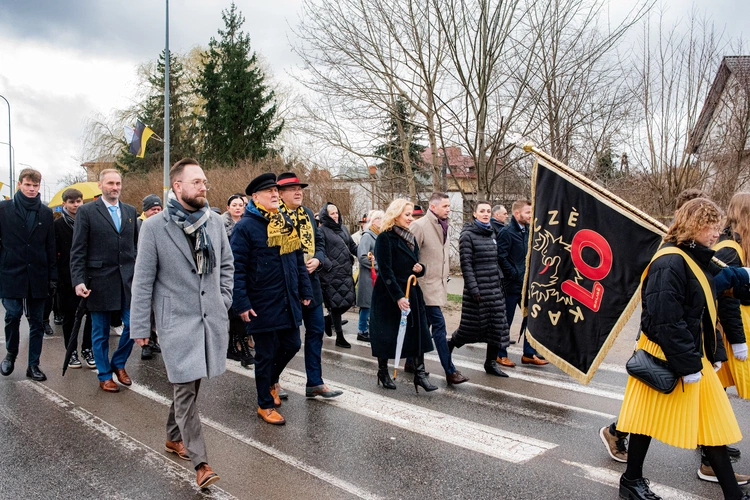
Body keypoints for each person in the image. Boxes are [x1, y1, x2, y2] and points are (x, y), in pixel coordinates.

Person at [617, 198, 750, 500]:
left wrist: (712, 354)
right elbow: (666, 320)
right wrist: (690, 364)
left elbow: (704, 312)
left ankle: (732, 494)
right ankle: (631, 480)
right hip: (666, 352)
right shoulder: (670, 261)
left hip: (687, 352)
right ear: (694, 226)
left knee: (711, 423)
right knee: (643, 422)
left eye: (718, 227)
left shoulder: (692, 257)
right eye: (711, 227)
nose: (717, 234)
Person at [130, 158, 230, 488]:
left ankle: (173, 437)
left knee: (192, 383)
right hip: (175, 323)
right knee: (186, 388)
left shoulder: (213, 222)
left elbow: (227, 265)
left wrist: (223, 299)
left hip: (208, 319)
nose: (204, 186)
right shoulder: (154, 227)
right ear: (178, 187)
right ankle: (202, 463)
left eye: (204, 181)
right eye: (197, 181)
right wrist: (140, 326)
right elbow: (143, 280)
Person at [231, 173, 313, 425]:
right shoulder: (245, 227)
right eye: (270, 192)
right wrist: (242, 303)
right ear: (255, 197)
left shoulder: (285, 221)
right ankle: (264, 404)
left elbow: (297, 260)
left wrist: (305, 289)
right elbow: (236, 267)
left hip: (287, 298)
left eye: (276, 191)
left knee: (291, 345)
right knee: (265, 354)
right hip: (261, 302)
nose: (276, 195)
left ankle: (269, 383)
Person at [70, 169, 138, 393]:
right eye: (110, 183)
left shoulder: (130, 211)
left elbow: (136, 248)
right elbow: (78, 249)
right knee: (99, 332)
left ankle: (118, 362)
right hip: (98, 282)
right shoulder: (87, 212)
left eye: (118, 183)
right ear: (100, 186)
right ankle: (104, 374)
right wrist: (78, 280)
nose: (115, 187)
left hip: (126, 282)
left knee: (133, 325)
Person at [277, 172, 342, 399]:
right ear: (280, 193)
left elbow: (320, 242)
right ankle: (272, 379)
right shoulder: (275, 216)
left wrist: (318, 259)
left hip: (311, 282)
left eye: (300, 189)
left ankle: (314, 382)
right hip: (288, 285)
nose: (298, 192)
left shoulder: (307, 214)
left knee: (316, 331)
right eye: (293, 189)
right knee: (287, 339)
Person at [369, 199, 436, 393]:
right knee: (387, 334)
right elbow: (385, 270)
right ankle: (383, 371)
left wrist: (420, 269)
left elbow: (415, 264)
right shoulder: (385, 238)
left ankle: (420, 375)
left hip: (411, 290)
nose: (410, 218)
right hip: (390, 294)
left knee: (417, 332)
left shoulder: (410, 238)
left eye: (412, 214)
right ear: (395, 214)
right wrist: (398, 297)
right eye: (406, 214)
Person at [0, 168, 56, 381]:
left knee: (37, 323)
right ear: (20, 185)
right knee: (12, 314)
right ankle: (11, 354)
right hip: (10, 273)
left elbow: (50, 246)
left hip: (38, 274)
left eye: (35, 186)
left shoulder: (45, 212)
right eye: (28, 185)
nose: (32, 189)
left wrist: (53, 277)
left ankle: (33, 365)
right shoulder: (4, 209)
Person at [410, 193, 468, 385]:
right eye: (445, 206)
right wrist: (417, 273)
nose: (448, 209)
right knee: (439, 327)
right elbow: (409, 255)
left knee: (424, 327)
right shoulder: (419, 225)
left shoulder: (444, 224)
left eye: (449, 206)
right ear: (432, 207)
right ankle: (450, 371)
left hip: (439, 284)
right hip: (424, 285)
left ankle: (411, 361)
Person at [449, 201, 511, 377]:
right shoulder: (467, 235)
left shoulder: (491, 232)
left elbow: (495, 260)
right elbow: (466, 265)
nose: (485, 214)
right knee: (469, 329)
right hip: (477, 291)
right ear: (475, 214)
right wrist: (474, 289)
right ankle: (449, 346)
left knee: (497, 326)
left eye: (488, 211)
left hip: (494, 288)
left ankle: (490, 363)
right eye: (482, 211)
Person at [496, 199, 547, 367]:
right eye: (527, 213)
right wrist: (515, 274)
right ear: (517, 214)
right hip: (511, 285)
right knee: (506, 321)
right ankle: (500, 354)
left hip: (526, 286)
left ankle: (529, 353)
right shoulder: (507, 232)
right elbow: (501, 257)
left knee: (531, 318)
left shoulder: (527, 231)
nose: (531, 216)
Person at [54, 188, 94, 370]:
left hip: (90, 275)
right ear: (64, 204)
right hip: (66, 278)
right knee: (70, 316)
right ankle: (71, 351)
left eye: (79, 201)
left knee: (92, 314)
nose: (76, 205)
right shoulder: (58, 226)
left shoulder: (89, 222)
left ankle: (88, 348)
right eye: (71, 202)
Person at [318, 202, 358, 348]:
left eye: (336, 213)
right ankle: (339, 337)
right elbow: (319, 250)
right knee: (335, 304)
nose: (335, 216)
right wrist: (329, 265)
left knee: (349, 301)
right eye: (332, 213)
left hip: (346, 272)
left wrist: (363, 253)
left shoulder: (344, 228)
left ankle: (328, 320)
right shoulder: (321, 230)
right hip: (332, 274)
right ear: (325, 215)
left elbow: (352, 246)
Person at [222, 193, 254, 369]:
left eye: (240, 204)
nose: (237, 207)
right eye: (234, 205)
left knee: (240, 311)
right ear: (228, 208)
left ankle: (236, 345)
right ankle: (239, 349)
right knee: (234, 312)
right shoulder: (221, 225)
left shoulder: (246, 224)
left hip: (243, 271)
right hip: (228, 272)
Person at [137, 194, 163, 361]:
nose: (156, 212)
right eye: (153, 209)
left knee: (156, 310)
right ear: (145, 210)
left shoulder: (163, 225)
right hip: (142, 273)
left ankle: (153, 339)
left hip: (159, 275)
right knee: (145, 310)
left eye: (159, 209)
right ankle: (145, 344)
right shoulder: (138, 225)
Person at [356, 209, 384, 342]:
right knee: (367, 305)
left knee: (374, 304)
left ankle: (370, 329)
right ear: (374, 221)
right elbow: (362, 256)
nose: (382, 222)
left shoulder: (378, 235)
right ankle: (362, 331)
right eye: (380, 219)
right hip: (368, 277)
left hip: (376, 277)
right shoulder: (367, 236)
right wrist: (378, 265)